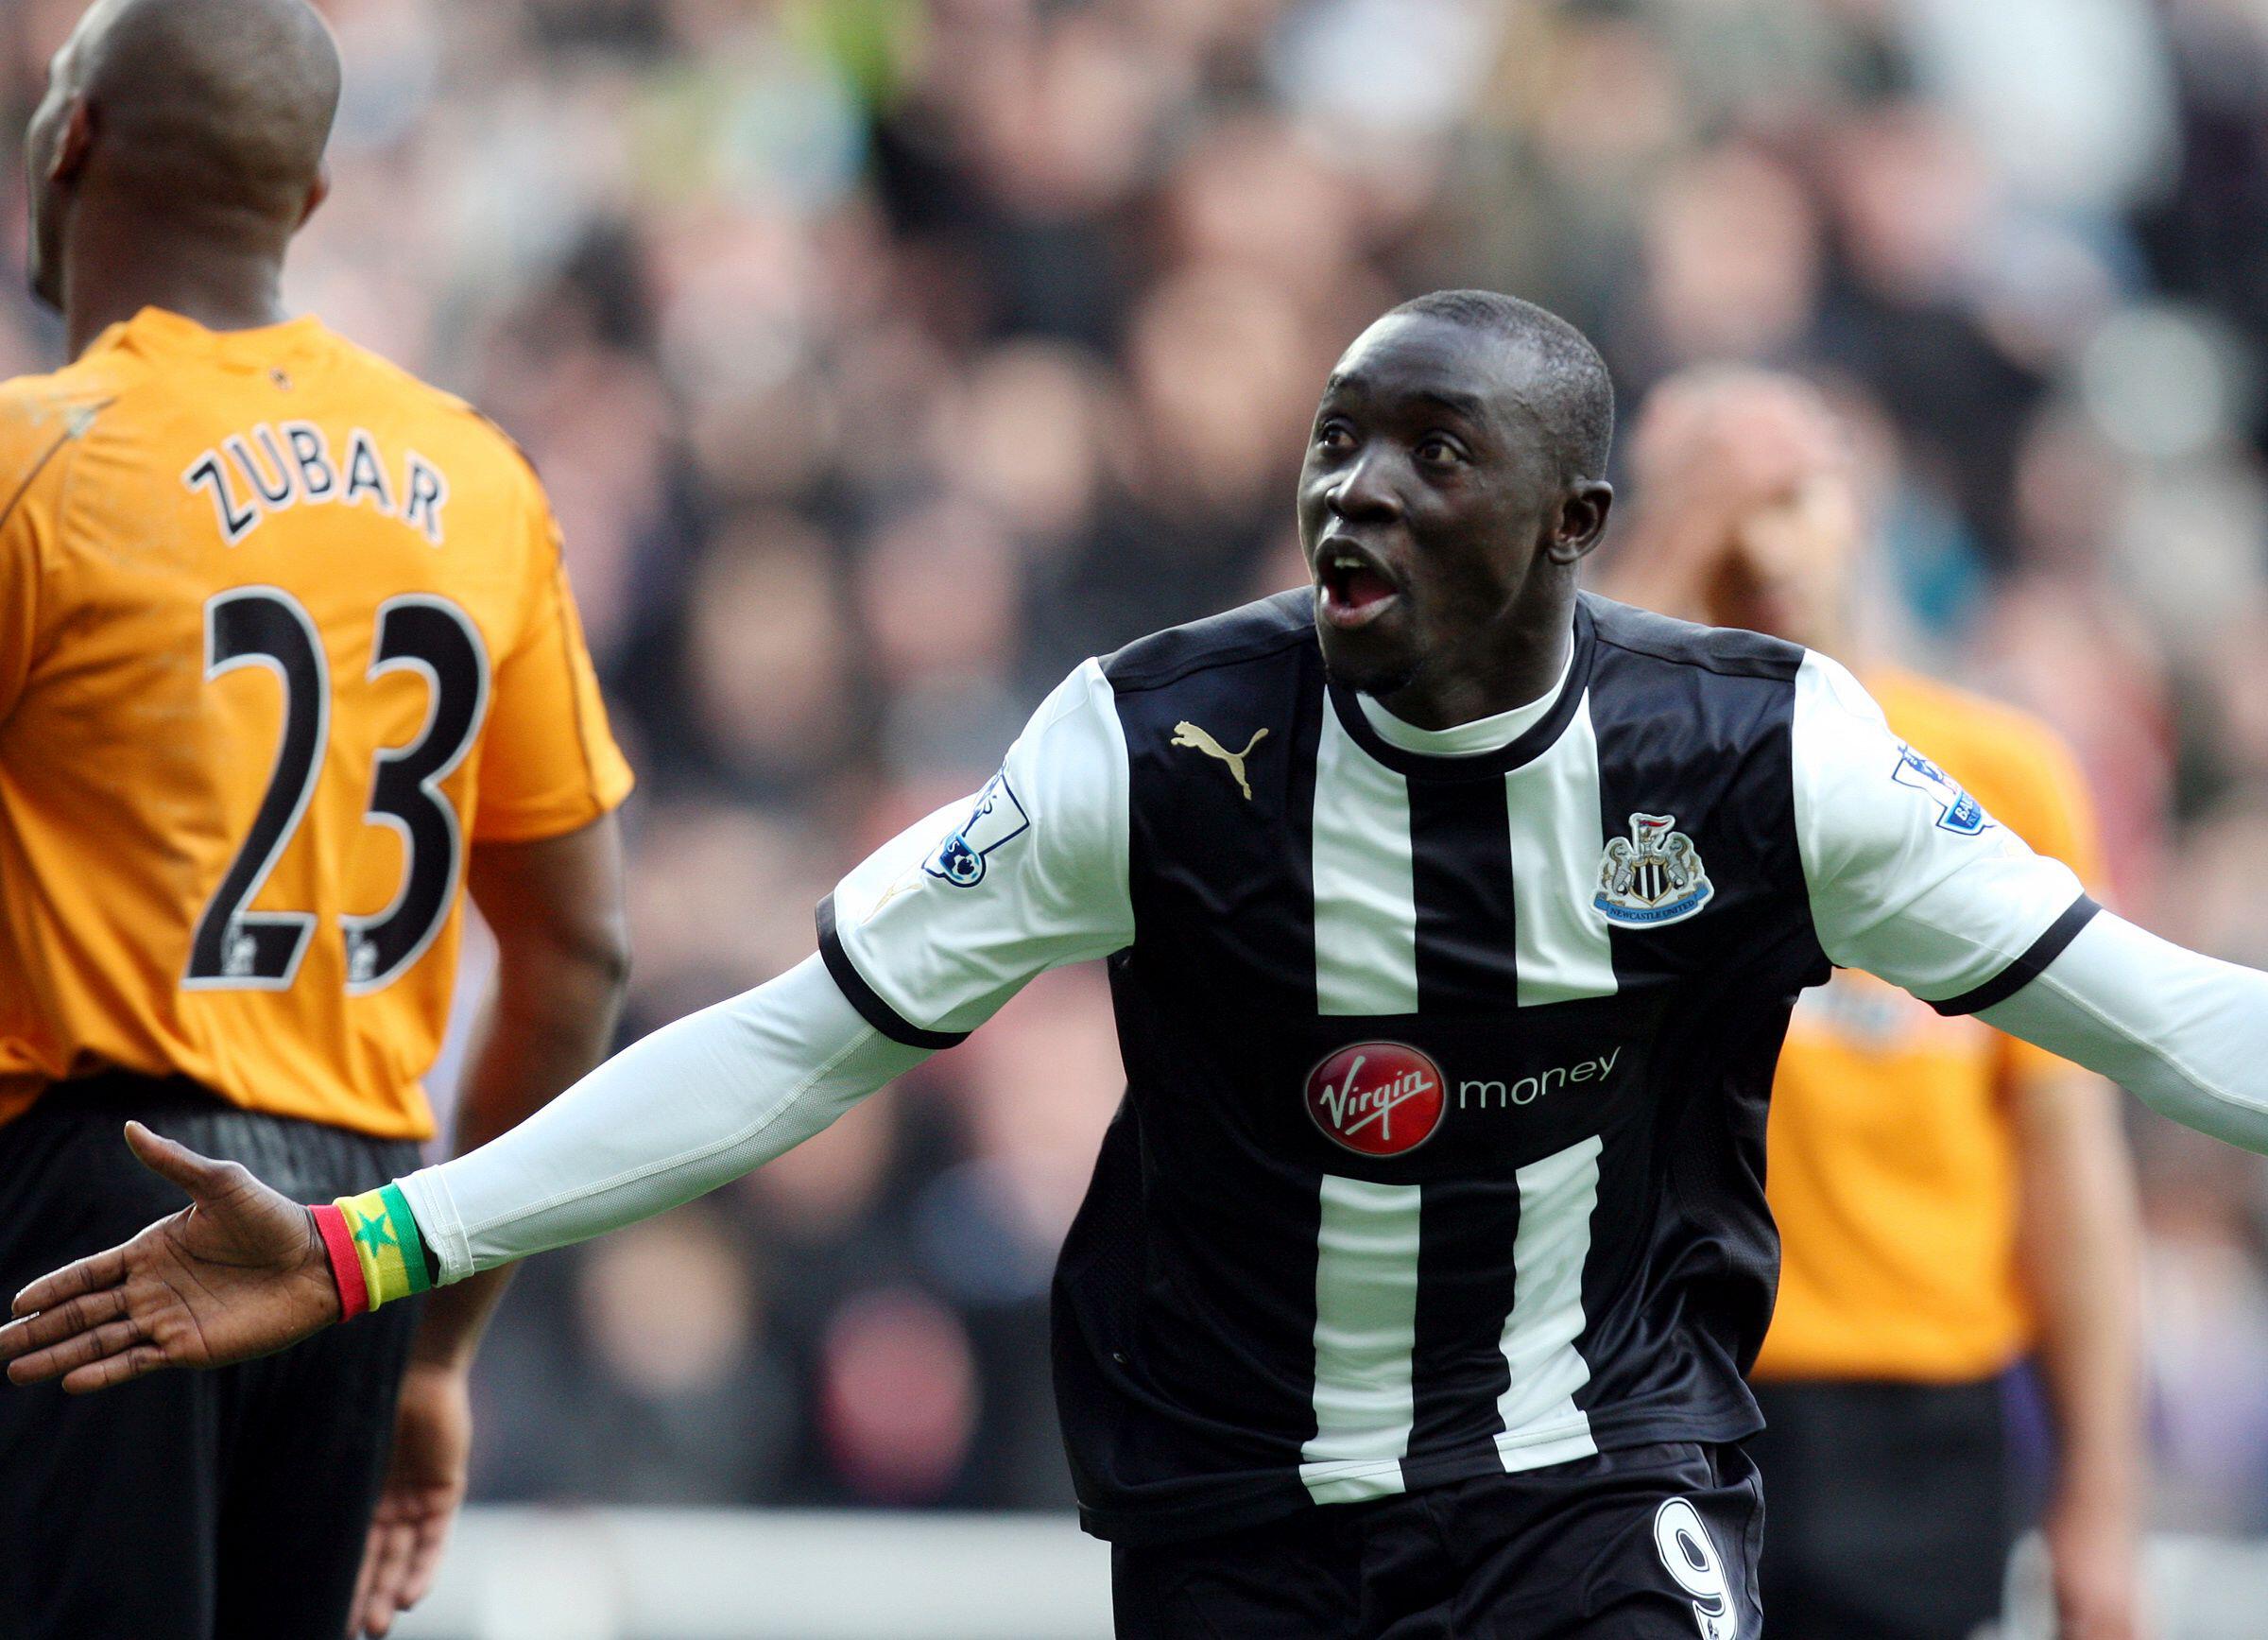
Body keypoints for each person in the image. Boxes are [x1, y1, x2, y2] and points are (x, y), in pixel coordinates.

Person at [12, 287, 2268, 1639]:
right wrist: (372, 1238)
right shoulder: (1162, 741)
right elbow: (790, 1049)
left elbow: (2161, 1018)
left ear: (1575, 527)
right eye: (1333, 442)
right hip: (1239, 1506)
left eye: (1431, 454)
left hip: (1595, 1475)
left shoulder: (1770, 759)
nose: (1353, 494)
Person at [0, 3, 633, 1636]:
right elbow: (577, 958)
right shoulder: (480, 480)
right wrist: (434, 1337)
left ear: (67, 140)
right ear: (310, 204)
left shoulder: (38, 462)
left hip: (88, 1215)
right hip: (358, 1238)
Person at [1609, 368, 2146, 1640]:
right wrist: (1665, 573)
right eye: (1715, 490)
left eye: (1796, 487)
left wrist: (2102, 1501)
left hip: (1915, 1407)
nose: (1761, 531)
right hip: (1649, 1388)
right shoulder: (1605, 765)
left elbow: (2069, 1161)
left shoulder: (1995, 771)